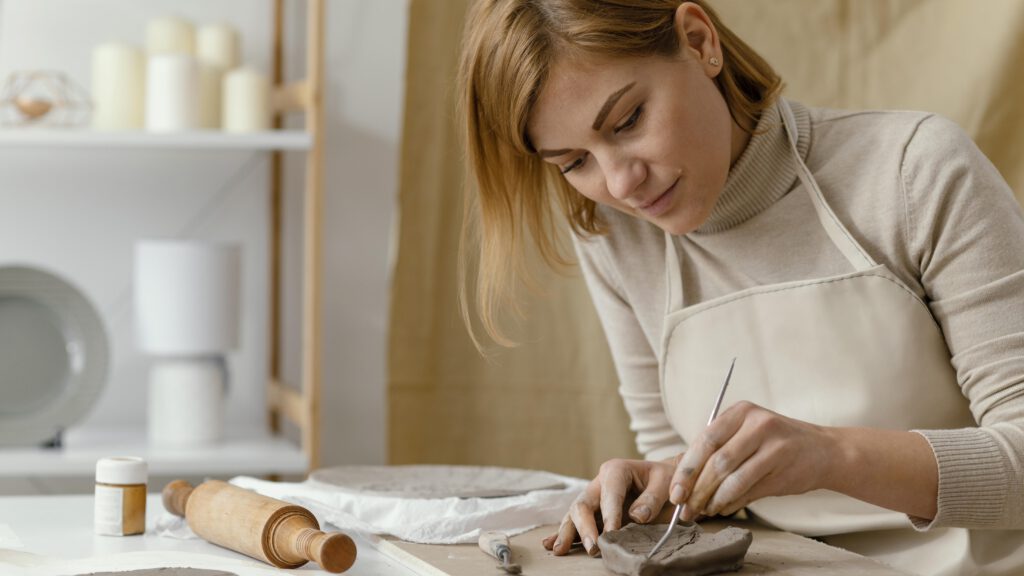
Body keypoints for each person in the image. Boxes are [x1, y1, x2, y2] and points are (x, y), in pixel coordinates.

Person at [456, 1, 1024, 575]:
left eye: (628, 120)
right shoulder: (618, 238)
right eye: (574, 161)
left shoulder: (912, 170)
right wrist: (662, 487)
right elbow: (684, 497)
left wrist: (832, 456)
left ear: (700, 41)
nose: (621, 183)